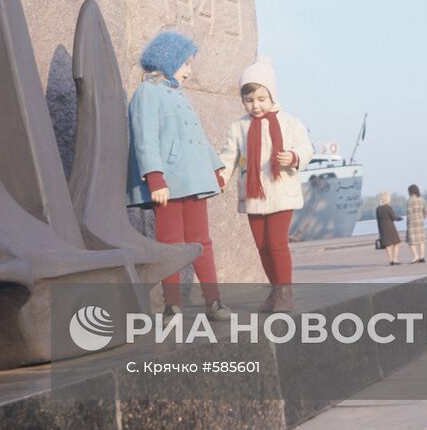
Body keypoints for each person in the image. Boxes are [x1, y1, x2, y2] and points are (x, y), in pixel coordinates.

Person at [125, 30, 230, 321]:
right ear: (170, 60)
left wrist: (215, 167)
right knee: (170, 243)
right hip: (169, 183)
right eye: (186, 63)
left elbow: (196, 135)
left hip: (195, 179)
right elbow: (145, 137)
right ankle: (172, 304)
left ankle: (215, 301)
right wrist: (155, 177)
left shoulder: (177, 93)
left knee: (202, 241)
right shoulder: (147, 93)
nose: (189, 71)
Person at [218, 58, 313, 312]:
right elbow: (229, 156)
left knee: (277, 243)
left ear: (272, 95)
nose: (256, 106)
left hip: (282, 192)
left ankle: (286, 293)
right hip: (254, 195)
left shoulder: (289, 122)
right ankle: (275, 291)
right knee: (262, 246)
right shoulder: (239, 127)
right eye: (249, 100)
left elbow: (306, 148)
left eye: (261, 99)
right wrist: (220, 176)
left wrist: (293, 157)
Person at [375, 192, 404, 265]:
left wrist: (379, 232)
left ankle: (390, 260)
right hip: (390, 228)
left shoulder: (378, 209)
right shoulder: (388, 207)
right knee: (396, 243)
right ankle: (395, 259)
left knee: (387, 245)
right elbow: (393, 217)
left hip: (382, 229)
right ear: (387, 199)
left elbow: (378, 220)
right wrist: (400, 218)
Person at [406, 184, 427, 263]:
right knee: (421, 240)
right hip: (420, 222)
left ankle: (415, 256)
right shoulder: (422, 199)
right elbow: (426, 211)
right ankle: (422, 256)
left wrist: (409, 221)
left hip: (412, 223)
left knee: (411, 241)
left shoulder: (410, 200)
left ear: (410, 192)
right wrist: (422, 217)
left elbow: (409, 212)